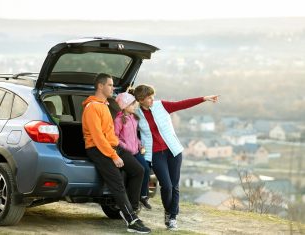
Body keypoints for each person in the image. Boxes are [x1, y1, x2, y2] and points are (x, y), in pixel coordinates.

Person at [133, 84, 219, 230]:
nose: (152, 99)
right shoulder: (136, 114)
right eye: (148, 97)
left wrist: (204, 98)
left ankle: (172, 217)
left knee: (174, 186)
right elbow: (132, 133)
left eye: (152, 96)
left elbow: (183, 104)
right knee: (166, 186)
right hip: (154, 154)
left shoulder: (162, 106)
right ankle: (168, 210)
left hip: (173, 151)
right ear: (140, 100)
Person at [82, 73, 151, 234]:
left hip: (112, 147)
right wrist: (113, 155)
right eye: (110, 85)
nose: (113, 88)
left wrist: (118, 151)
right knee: (117, 183)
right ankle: (131, 220)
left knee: (138, 170)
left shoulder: (105, 105)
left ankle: (132, 209)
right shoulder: (92, 107)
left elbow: (110, 133)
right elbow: (98, 137)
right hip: (98, 149)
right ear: (100, 86)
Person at [114, 91, 152, 210]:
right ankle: (132, 202)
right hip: (126, 152)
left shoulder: (134, 118)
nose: (134, 106)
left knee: (145, 169)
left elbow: (135, 136)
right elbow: (114, 137)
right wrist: (125, 146)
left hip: (136, 151)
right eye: (132, 104)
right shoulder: (119, 120)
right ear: (124, 106)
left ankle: (142, 196)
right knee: (136, 171)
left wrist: (139, 145)